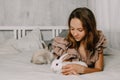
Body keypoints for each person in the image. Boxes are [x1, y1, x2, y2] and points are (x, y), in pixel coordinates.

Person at [52, 7, 107, 75]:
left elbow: (99, 68)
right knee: (47, 49)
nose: (75, 34)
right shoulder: (66, 44)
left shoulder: (98, 40)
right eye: (72, 29)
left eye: (80, 30)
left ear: (89, 29)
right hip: (63, 36)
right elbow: (65, 67)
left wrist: (83, 70)